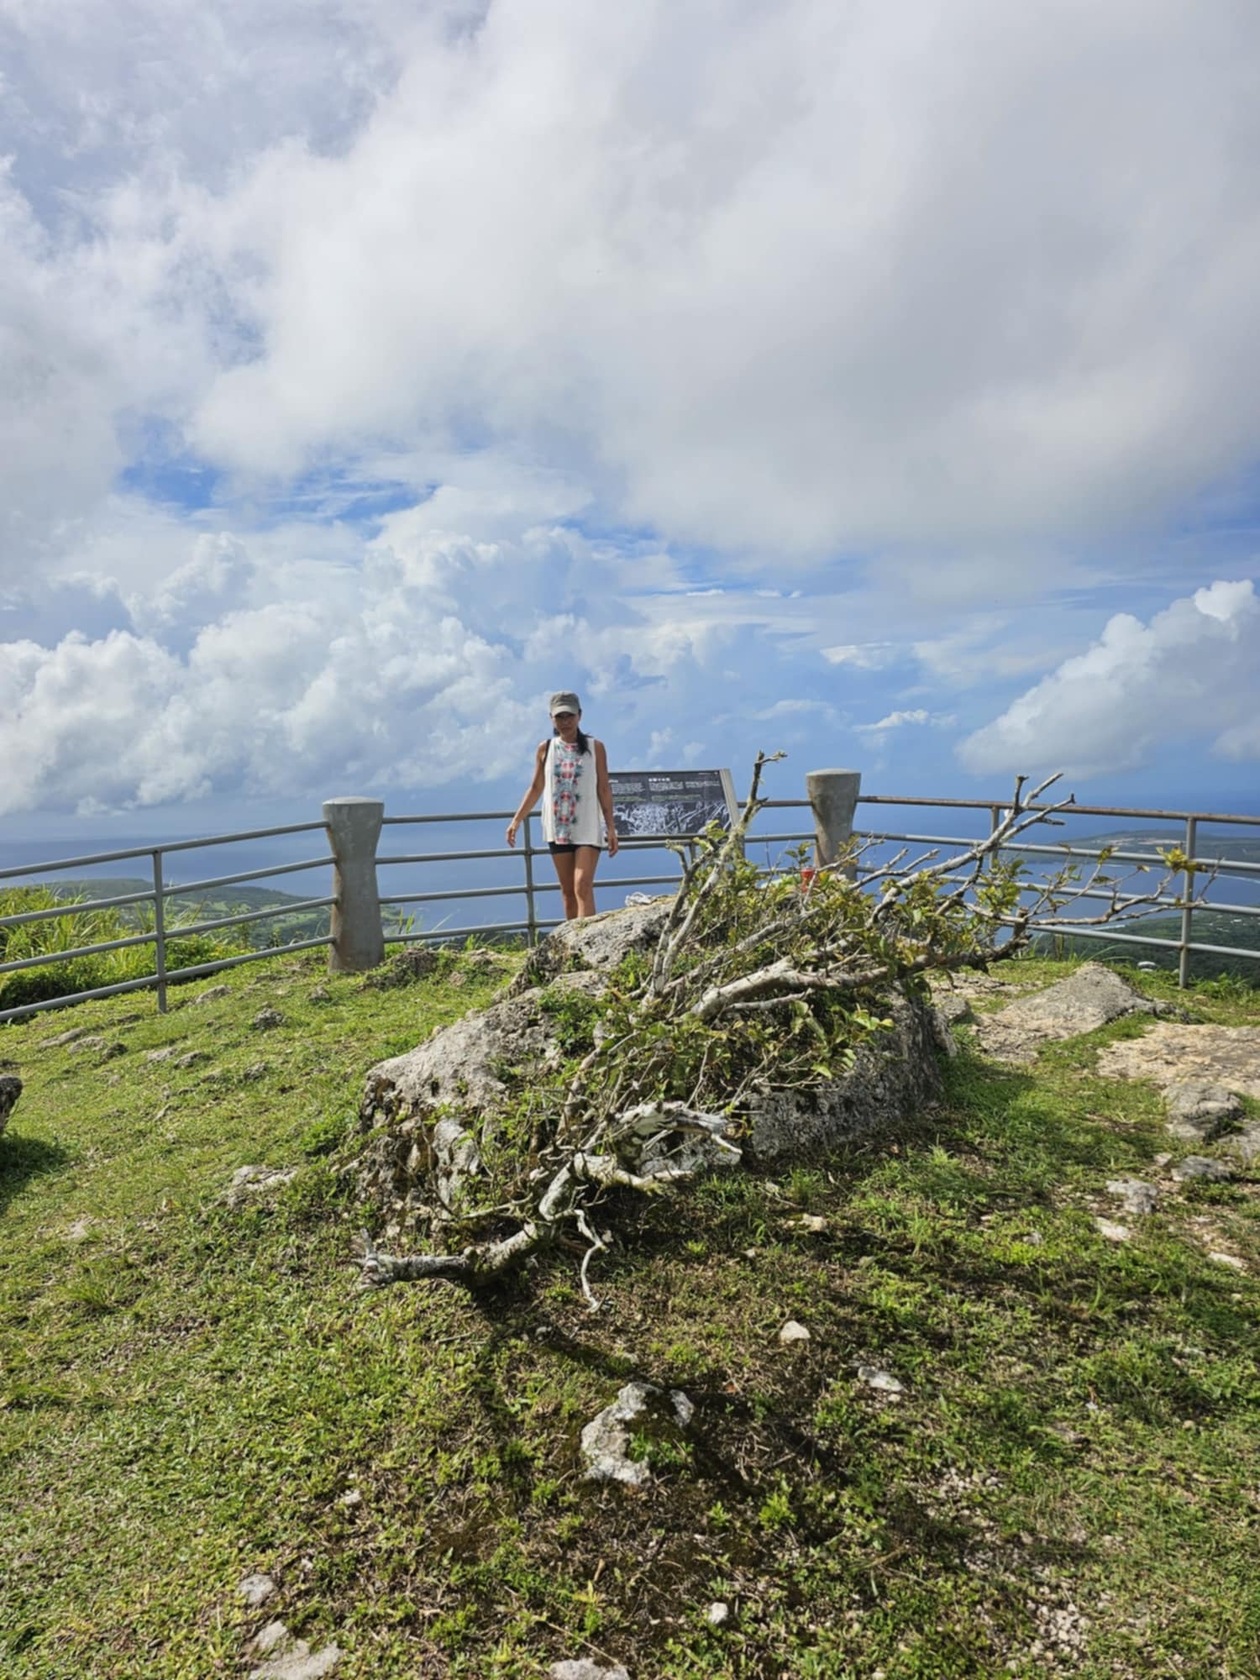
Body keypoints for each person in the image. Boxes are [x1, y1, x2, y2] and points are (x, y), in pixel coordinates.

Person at [506, 691, 618, 919]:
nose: (565, 722)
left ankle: (589, 943)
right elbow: (536, 787)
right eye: (560, 717)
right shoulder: (545, 748)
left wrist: (611, 827)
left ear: (579, 716)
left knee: (582, 885)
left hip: (586, 826)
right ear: (551, 719)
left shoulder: (595, 748)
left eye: (569, 716)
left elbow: (603, 788)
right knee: (568, 892)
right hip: (558, 828)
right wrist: (517, 820)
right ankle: (573, 949)